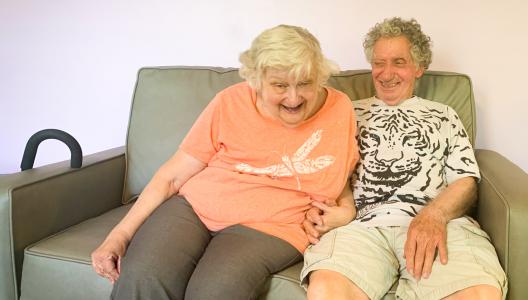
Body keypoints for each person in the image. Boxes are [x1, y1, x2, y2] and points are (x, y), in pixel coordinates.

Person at [90, 24, 359, 300]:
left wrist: (347, 211)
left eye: (305, 83)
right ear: (256, 79)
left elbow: (339, 174)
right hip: (193, 208)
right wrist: (119, 235)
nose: (294, 97)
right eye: (279, 85)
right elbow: (172, 176)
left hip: (271, 227)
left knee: (215, 292)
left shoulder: (338, 109)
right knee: (143, 277)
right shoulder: (229, 102)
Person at [301, 17, 507, 300]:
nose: (386, 74)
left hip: (439, 223)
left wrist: (434, 215)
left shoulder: (444, 115)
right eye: (378, 63)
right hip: (362, 227)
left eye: (398, 62)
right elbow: (326, 170)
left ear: (419, 68)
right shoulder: (346, 110)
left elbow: (465, 180)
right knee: (326, 291)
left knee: (480, 294)